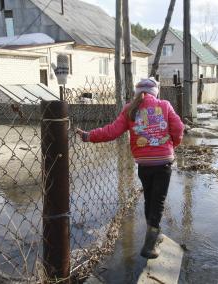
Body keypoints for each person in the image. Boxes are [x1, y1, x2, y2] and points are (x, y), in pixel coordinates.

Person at [76, 77, 184, 259]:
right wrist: (174, 144)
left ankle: (153, 236)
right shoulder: (164, 105)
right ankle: (150, 245)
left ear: (137, 93)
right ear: (155, 92)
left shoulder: (130, 109)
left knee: (149, 199)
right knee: (158, 201)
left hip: (144, 164)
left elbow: (112, 131)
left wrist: (89, 136)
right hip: (163, 162)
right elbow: (178, 128)